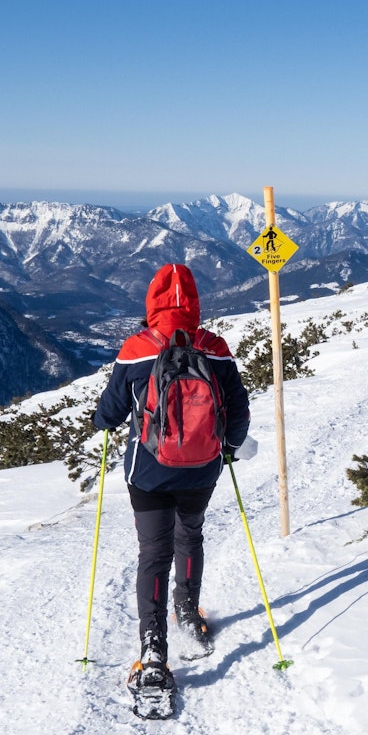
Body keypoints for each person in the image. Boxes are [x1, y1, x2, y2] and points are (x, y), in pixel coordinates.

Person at [93, 262, 250, 690]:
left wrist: (102, 420)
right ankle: (188, 614)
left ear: (152, 303)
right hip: (202, 468)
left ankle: (153, 647)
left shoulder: (137, 348)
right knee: (191, 536)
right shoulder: (214, 348)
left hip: (147, 471)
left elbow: (108, 413)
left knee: (154, 552)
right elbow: (238, 409)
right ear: (196, 305)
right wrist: (229, 450)